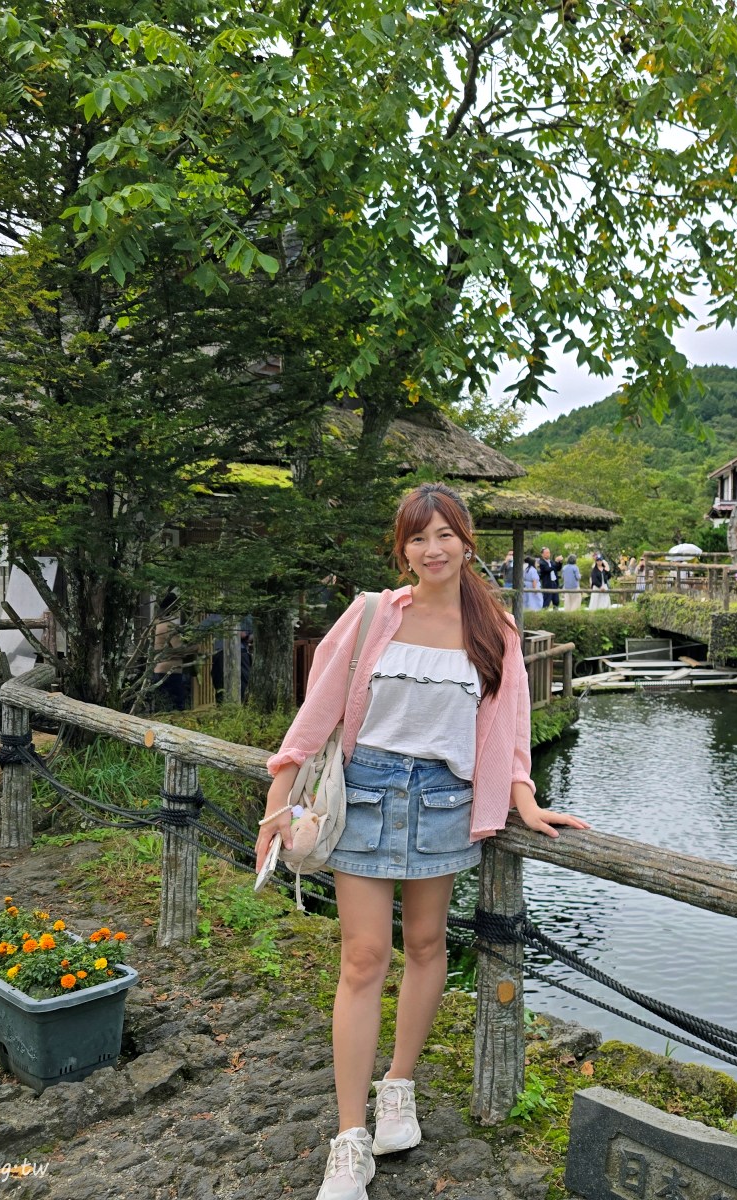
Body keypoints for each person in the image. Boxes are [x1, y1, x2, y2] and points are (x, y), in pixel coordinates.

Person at [255, 483, 588, 1200]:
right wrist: (277, 801)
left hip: (443, 800)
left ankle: (398, 1088)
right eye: (417, 537)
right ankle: (349, 1141)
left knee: (431, 946)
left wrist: (524, 799)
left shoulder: (494, 630)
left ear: (468, 542)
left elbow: (507, 726)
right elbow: (319, 711)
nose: (431, 549)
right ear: (401, 547)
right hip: (366, 795)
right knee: (363, 957)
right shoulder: (373, 614)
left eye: (444, 535)